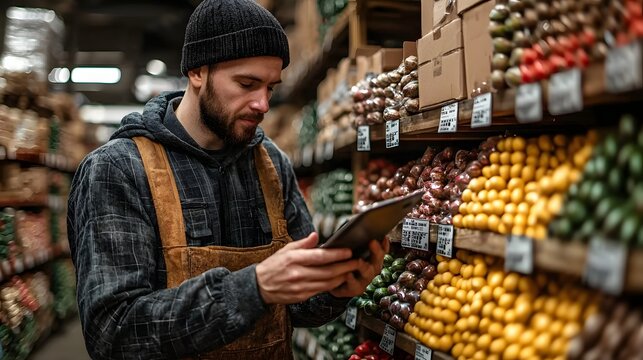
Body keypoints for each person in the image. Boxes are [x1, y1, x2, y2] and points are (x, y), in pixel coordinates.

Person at [67, 0, 388, 359]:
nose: (263, 104)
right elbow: (114, 333)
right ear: (197, 72)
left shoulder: (271, 165)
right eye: (247, 83)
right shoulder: (118, 170)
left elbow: (296, 306)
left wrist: (336, 288)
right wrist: (254, 287)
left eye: (270, 87)